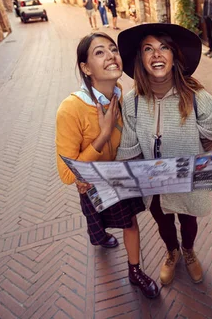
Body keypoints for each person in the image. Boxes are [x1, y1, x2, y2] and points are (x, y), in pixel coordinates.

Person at [116, 23, 212, 286]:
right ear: (140, 59)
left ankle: (188, 251)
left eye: (163, 47)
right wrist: (120, 175)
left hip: (189, 180)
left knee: (188, 220)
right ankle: (172, 251)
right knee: (164, 222)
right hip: (153, 184)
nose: (157, 54)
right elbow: (129, 150)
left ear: (173, 56)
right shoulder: (133, 102)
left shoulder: (195, 97)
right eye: (148, 49)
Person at [55, 33, 159, 299]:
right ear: (86, 68)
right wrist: (103, 135)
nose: (111, 55)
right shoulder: (70, 109)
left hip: (118, 176)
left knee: (130, 224)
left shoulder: (117, 93)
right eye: (100, 52)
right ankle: (98, 237)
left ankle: (134, 271)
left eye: (113, 49)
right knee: (96, 222)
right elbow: (67, 173)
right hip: (92, 183)